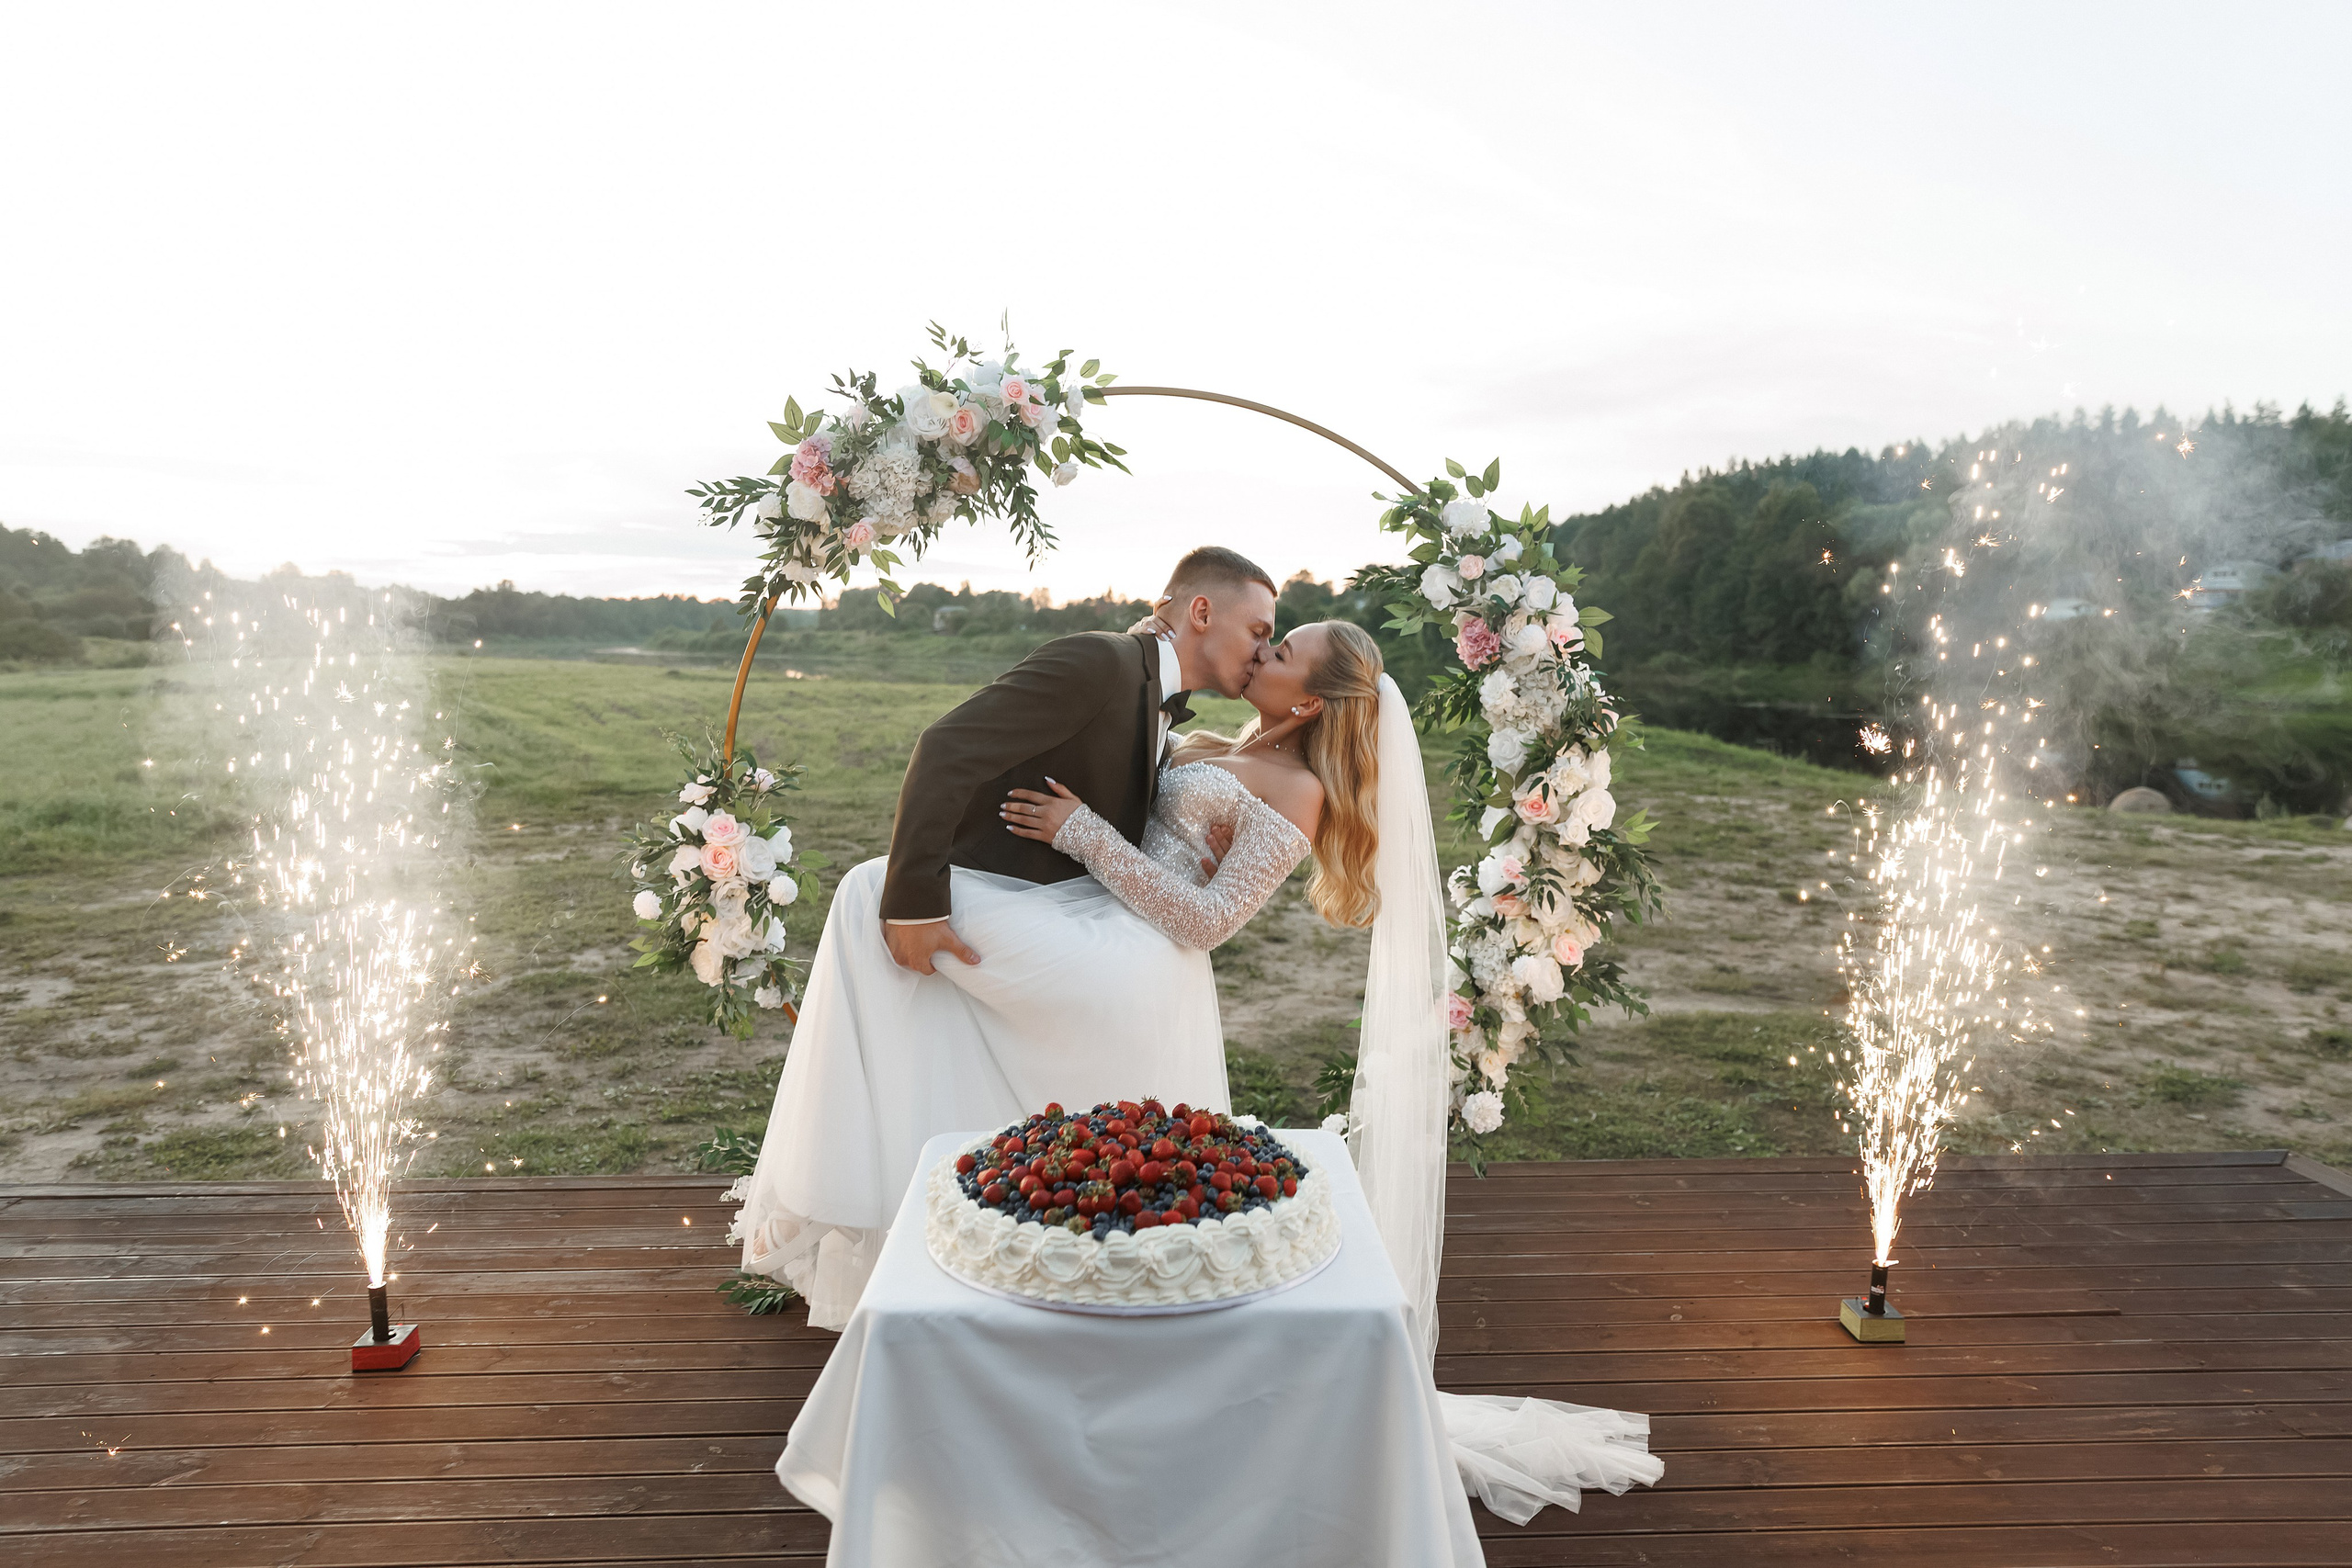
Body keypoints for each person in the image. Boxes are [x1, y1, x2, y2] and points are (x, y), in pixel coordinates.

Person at [728, 547, 1278, 1329]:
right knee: (865, 890)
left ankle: (1033, 1239)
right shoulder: (1100, 660)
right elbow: (946, 746)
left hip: (1061, 908)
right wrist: (914, 900)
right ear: (1200, 611)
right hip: (998, 894)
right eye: (1258, 629)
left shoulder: (1157, 700)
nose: (1262, 649)